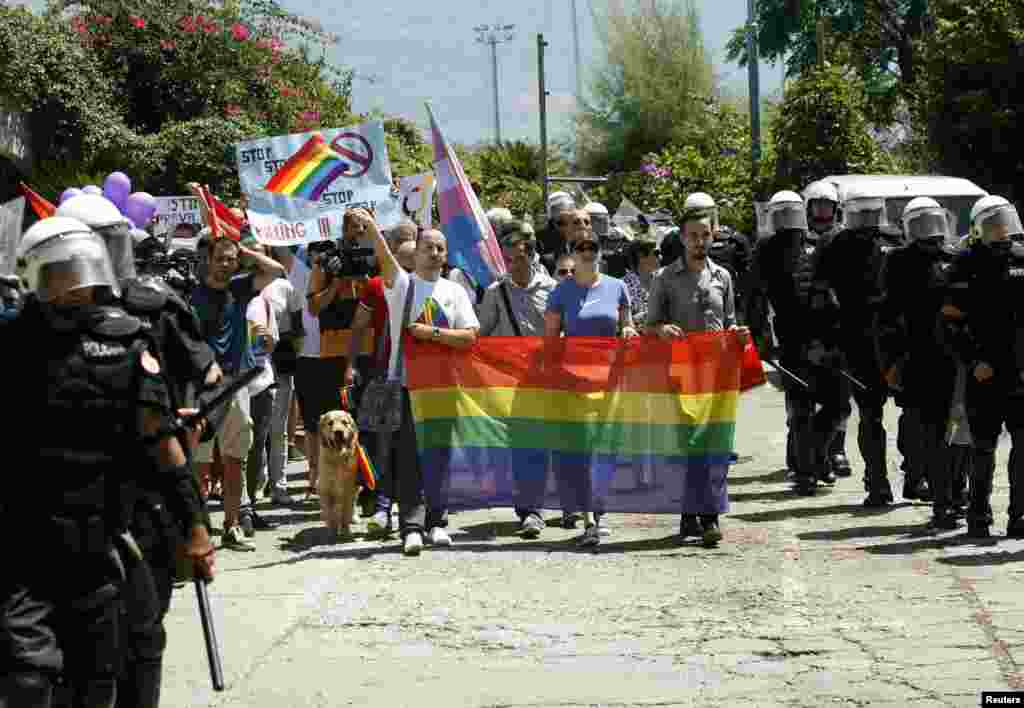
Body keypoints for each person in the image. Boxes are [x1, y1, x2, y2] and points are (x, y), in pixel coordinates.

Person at [0, 216, 214, 708]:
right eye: (61, 272)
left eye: (81, 269)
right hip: (22, 543)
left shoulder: (126, 345)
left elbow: (162, 445)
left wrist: (195, 528)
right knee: (29, 675)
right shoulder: (10, 347)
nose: (74, 282)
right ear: (35, 277)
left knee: (101, 675)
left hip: (102, 539)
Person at [356, 208, 480, 556]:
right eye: (429, 247)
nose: (436, 253)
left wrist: (432, 333)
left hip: (444, 387)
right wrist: (371, 225)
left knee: (439, 456)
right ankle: (411, 526)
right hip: (408, 387)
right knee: (409, 457)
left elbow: (470, 336)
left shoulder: (454, 291)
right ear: (416, 250)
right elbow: (382, 255)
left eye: (441, 248)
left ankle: (436, 521)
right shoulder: (402, 284)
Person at [647, 204, 749, 546]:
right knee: (686, 447)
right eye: (693, 236)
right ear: (681, 237)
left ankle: (708, 516)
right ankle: (691, 514)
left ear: (713, 234)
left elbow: (730, 320)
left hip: (716, 376)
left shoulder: (723, 276)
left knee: (712, 447)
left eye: (705, 235)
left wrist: (739, 333)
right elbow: (649, 327)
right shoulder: (663, 278)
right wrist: (662, 330)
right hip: (678, 375)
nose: (699, 242)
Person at [747, 190, 845, 496]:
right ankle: (806, 471)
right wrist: (761, 338)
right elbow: (755, 297)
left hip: (825, 335)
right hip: (791, 337)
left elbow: (832, 290)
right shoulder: (765, 249)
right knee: (802, 407)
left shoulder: (819, 244)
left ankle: (814, 458)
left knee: (837, 404)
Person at [192, 232, 285, 550]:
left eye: (232, 259)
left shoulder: (241, 286)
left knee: (235, 459)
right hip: (202, 389)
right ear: (208, 260)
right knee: (199, 463)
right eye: (221, 258)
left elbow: (276, 271)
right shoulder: (192, 295)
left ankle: (231, 526)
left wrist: (242, 248)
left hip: (237, 385)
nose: (226, 264)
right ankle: (199, 530)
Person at [545, 229, 638, 546]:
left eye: (592, 246)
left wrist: (627, 331)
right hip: (575, 382)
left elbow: (628, 325)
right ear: (571, 252)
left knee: (606, 448)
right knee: (583, 450)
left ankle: (599, 511)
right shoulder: (561, 292)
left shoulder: (617, 287)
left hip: (610, 380)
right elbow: (549, 340)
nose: (586, 250)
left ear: (601, 251)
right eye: (579, 246)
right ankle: (588, 519)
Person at [946, 195, 1024, 538]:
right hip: (983, 371)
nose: (999, 227)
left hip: (1019, 370)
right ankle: (978, 514)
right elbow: (950, 323)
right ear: (979, 227)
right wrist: (972, 360)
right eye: (992, 222)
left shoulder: (1022, 259)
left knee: (1023, 445)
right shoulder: (964, 264)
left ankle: (1019, 515)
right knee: (983, 447)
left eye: (1003, 220)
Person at [477, 220, 558, 538]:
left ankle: (566, 503)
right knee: (525, 448)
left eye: (519, 258)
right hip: (513, 383)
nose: (513, 265)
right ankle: (530, 511)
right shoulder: (496, 293)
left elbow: (563, 334)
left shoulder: (553, 290)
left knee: (552, 445)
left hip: (549, 380)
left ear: (532, 255)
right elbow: (481, 336)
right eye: (508, 259)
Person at [815, 187, 893, 506]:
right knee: (867, 414)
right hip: (853, 339)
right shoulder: (833, 244)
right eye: (861, 212)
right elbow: (819, 295)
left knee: (912, 414)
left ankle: (913, 475)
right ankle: (877, 482)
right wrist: (824, 340)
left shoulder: (891, 241)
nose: (866, 219)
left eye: (871, 212)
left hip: (891, 340)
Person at [345, 236, 418, 536]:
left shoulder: (432, 287)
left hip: (422, 378)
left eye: (414, 258)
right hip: (383, 374)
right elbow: (358, 325)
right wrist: (350, 364)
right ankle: (381, 504)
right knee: (382, 441)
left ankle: (413, 506)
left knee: (412, 445)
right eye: (404, 259)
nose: (409, 265)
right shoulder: (376, 286)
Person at [300, 211, 375, 499]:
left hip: (368, 348)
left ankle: (368, 487)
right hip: (332, 352)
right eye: (354, 226)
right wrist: (336, 283)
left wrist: (366, 278)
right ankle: (336, 487)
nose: (358, 231)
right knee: (338, 423)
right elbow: (313, 307)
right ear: (342, 228)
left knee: (367, 420)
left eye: (363, 225)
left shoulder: (374, 256)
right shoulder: (325, 260)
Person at [802, 180, 854, 481]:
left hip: (839, 328)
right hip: (807, 328)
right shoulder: (798, 240)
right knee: (807, 400)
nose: (822, 211)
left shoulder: (844, 239)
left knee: (841, 399)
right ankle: (807, 457)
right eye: (817, 205)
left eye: (827, 206)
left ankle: (837, 450)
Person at [265, 247, 305, 506]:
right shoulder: (236, 285)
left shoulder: (285, 287)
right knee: (252, 430)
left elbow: (298, 328)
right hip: (247, 366)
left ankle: (278, 484)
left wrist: (282, 344)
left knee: (277, 428)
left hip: (279, 364)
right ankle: (252, 485)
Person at [622, 232, 662, 332]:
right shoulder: (622, 286)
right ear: (641, 256)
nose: (660, 257)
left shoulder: (663, 281)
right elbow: (623, 323)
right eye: (656, 253)